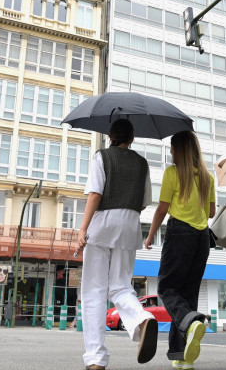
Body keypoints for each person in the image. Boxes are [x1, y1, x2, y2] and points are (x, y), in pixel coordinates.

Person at [74, 119, 158, 370]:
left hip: (103, 224)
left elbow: (95, 194)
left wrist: (82, 229)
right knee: (121, 286)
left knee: (94, 291)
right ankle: (142, 318)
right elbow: (144, 203)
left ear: (111, 136)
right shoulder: (142, 163)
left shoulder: (102, 157)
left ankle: (96, 357)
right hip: (130, 225)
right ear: (131, 138)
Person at [145, 130, 215, 370]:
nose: (171, 152)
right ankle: (181, 355)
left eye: (173, 148)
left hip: (180, 233)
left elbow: (162, 209)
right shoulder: (207, 177)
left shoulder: (173, 173)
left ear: (180, 150)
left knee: (166, 287)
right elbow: (211, 212)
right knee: (188, 295)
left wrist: (151, 234)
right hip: (202, 237)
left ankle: (192, 321)